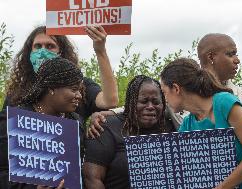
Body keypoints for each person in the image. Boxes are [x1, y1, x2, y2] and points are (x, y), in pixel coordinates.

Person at [88, 33, 242, 148]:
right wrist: (107, 113)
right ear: (211, 57)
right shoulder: (185, 111)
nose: (237, 60)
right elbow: (151, 102)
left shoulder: (236, 98)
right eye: (231, 54)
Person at [160, 58, 242, 189]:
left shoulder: (224, 103)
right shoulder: (187, 125)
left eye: (164, 92)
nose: (165, 99)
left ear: (176, 88)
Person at [1, 25, 118, 124]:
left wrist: (100, 50)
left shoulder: (80, 86)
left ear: (62, 52)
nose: (42, 52)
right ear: (29, 52)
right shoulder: (17, 90)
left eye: (50, 46)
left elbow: (110, 101)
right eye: (37, 46)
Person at [0, 57, 85, 188]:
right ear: (51, 89)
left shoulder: (75, 123)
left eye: (79, 90)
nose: (79, 95)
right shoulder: (13, 120)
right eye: (74, 89)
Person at [83, 75, 175, 189]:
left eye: (156, 102)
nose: (150, 106)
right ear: (131, 103)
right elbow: (92, 179)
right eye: (143, 101)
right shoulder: (106, 127)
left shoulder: (172, 129)